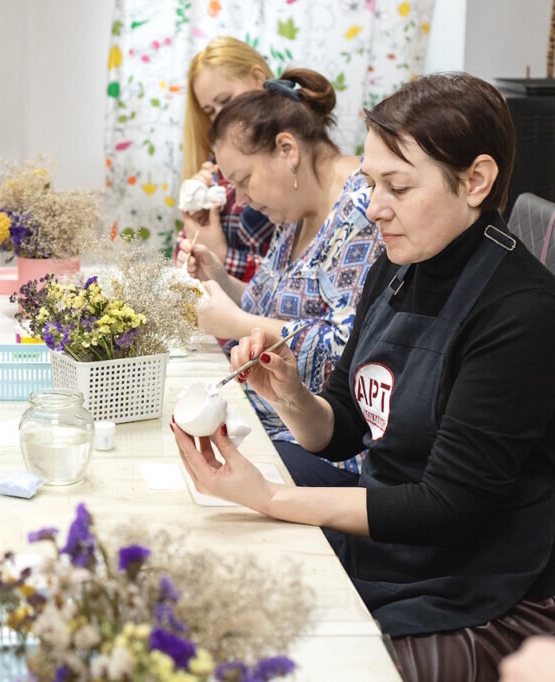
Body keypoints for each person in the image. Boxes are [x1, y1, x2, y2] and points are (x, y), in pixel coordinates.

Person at [173, 72, 555, 681]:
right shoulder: (399, 264)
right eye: (372, 183)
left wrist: (272, 497)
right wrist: (295, 397)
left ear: (477, 181)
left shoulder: (519, 314)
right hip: (389, 552)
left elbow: (444, 508)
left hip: (472, 592)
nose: (373, 207)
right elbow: (349, 429)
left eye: (397, 187)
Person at [179, 68, 384, 484]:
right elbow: (271, 306)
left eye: (244, 180)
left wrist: (236, 323)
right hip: (272, 424)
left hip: (330, 452)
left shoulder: (366, 209)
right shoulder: (298, 206)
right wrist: (219, 277)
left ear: (287, 149)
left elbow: (352, 352)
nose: (240, 198)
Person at [176, 36, 276, 282]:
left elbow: (292, 279)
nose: (219, 118)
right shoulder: (217, 169)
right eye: (210, 111)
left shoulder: (286, 164)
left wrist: (221, 255)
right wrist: (192, 237)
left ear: (258, 78)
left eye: (226, 101)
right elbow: (184, 252)